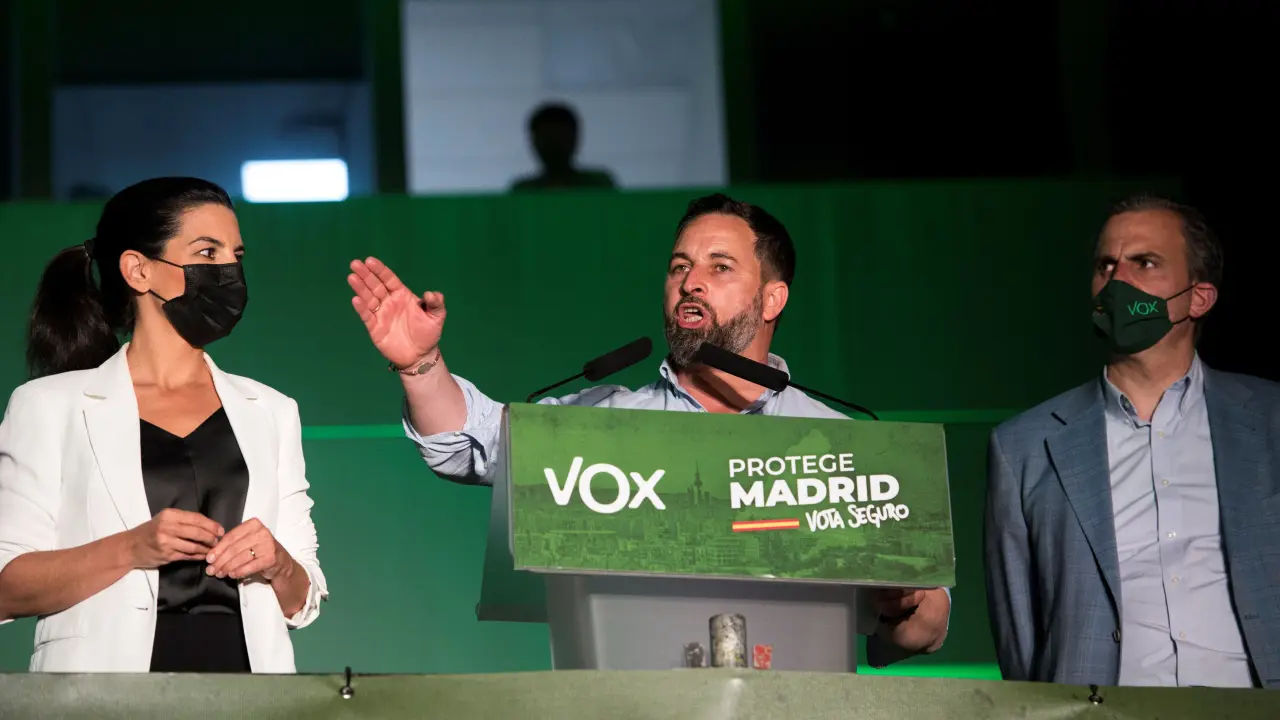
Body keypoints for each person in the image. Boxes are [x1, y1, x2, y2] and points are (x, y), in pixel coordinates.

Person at [347, 192, 951, 667]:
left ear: (772, 300)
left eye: (719, 267)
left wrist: (907, 602)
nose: (691, 282)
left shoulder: (843, 446)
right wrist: (420, 364)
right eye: (679, 267)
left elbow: (923, 626)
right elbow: (467, 440)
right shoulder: (608, 426)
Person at [0, 177, 328, 673]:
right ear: (139, 270)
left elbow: (304, 601)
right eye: (207, 252)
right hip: (102, 695)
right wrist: (132, 547)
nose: (229, 272)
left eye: (236, 256)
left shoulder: (271, 410)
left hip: (250, 690)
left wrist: (278, 563)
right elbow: (7, 586)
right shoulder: (49, 406)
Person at [984, 194, 1280, 688]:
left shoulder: (1270, 420)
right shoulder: (1023, 448)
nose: (1117, 280)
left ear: (1199, 297)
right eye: (1106, 265)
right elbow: (1021, 642)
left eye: (1145, 263)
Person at [509, 102, 616, 191]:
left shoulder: (599, 185)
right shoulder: (523, 191)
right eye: (547, 139)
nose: (554, 147)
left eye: (559, 138)